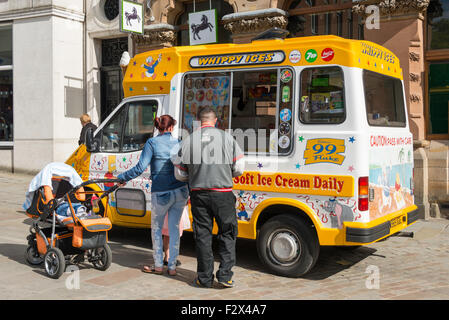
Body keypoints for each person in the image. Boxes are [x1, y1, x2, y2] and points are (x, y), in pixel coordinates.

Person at [174, 106, 244, 288]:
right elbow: (239, 169)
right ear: (215, 121)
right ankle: (225, 276)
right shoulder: (228, 139)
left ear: (198, 121)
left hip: (199, 195)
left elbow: (179, 174)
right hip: (223, 195)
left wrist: (195, 175)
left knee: (203, 236)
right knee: (227, 234)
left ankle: (204, 278)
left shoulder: (188, 141)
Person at [117, 115, 188, 276]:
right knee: (174, 228)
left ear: (158, 128)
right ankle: (172, 267)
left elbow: (140, 167)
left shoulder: (152, 143)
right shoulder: (179, 143)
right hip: (181, 191)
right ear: (170, 128)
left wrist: (123, 177)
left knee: (156, 229)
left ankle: (158, 265)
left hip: (161, 192)